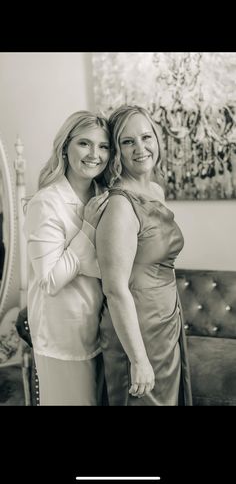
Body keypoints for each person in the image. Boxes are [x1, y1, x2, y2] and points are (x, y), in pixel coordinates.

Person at [96, 104, 192, 406]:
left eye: (146, 137)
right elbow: (114, 288)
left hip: (166, 325)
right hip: (137, 331)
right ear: (116, 150)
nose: (141, 148)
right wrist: (138, 359)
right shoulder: (120, 205)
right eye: (128, 141)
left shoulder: (155, 191)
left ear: (157, 140)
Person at [24, 110, 111, 406]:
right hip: (63, 337)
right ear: (65, 147)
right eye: (84, 144)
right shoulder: (46, 202)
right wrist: (86, 229)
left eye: (103, 146)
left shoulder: (106, 197)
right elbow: (50, 280)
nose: (94, 154)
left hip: (102, 333)